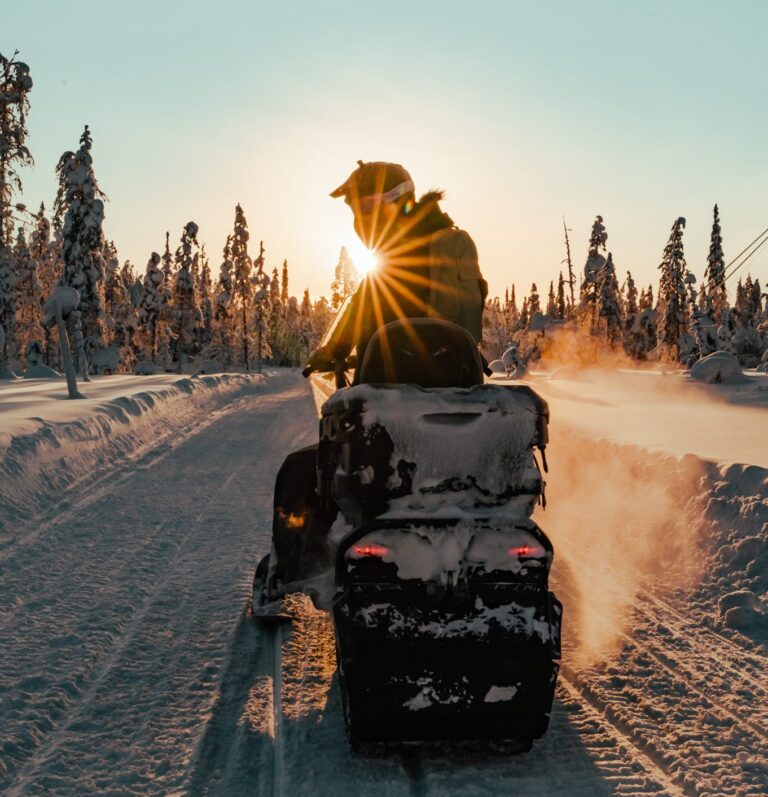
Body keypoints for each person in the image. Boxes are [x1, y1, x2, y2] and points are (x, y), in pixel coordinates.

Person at [306, 161, 488, 378]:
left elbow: (360, 308)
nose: (362, 218)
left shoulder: (396, 259)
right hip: (455, 380)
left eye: (366, 207)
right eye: (357, 210)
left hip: (388, 391)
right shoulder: (445, 244)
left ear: (397, 201)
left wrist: (334, 352)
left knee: (344, 410)